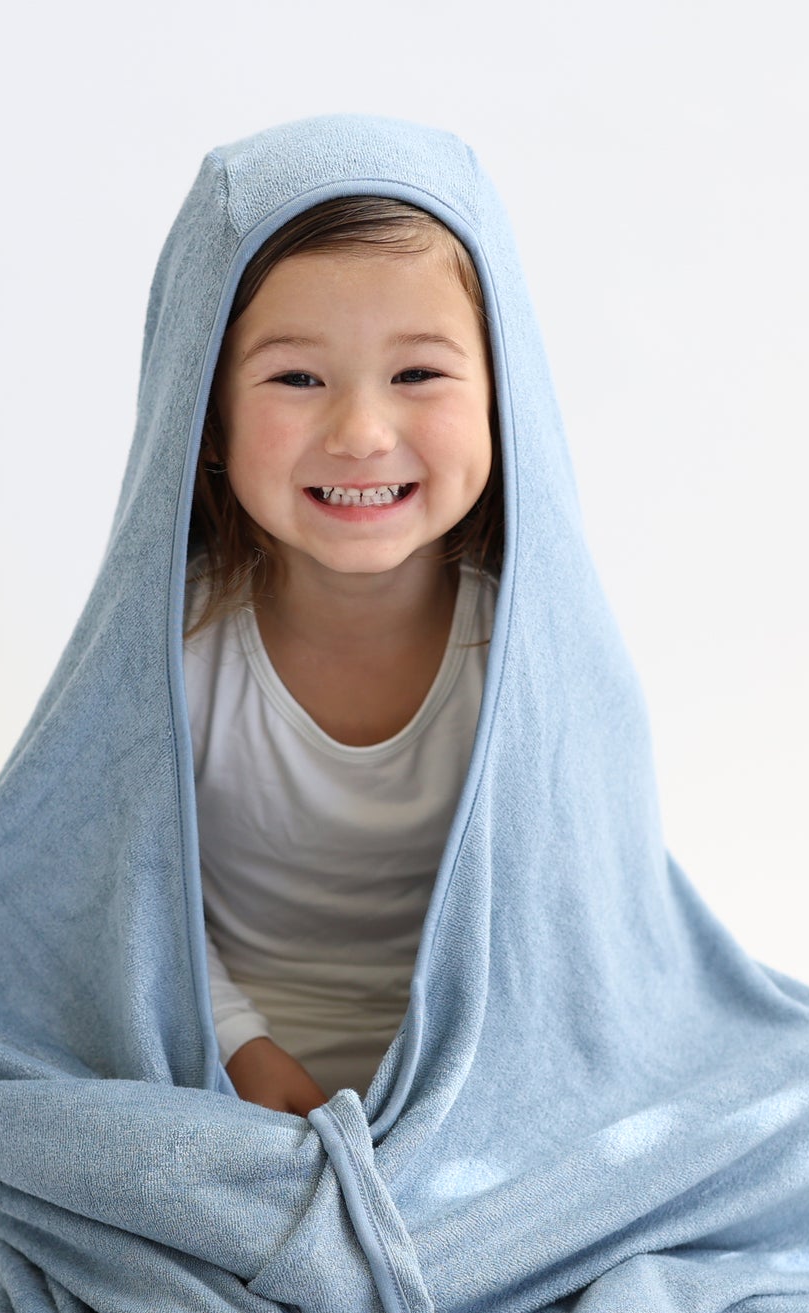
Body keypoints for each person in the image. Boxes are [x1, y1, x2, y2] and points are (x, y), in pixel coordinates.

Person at [182, 195, 503, 1119]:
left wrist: (453, 1094)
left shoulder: (524, 659)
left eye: (417, 372)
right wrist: (241, 1049)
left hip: (480, 1072)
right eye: (297, 379)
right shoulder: (181, 652)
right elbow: (116, 893)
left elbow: (583, 925)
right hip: (215, 1071)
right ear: (208, 419)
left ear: (500, 396)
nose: (361, 433)